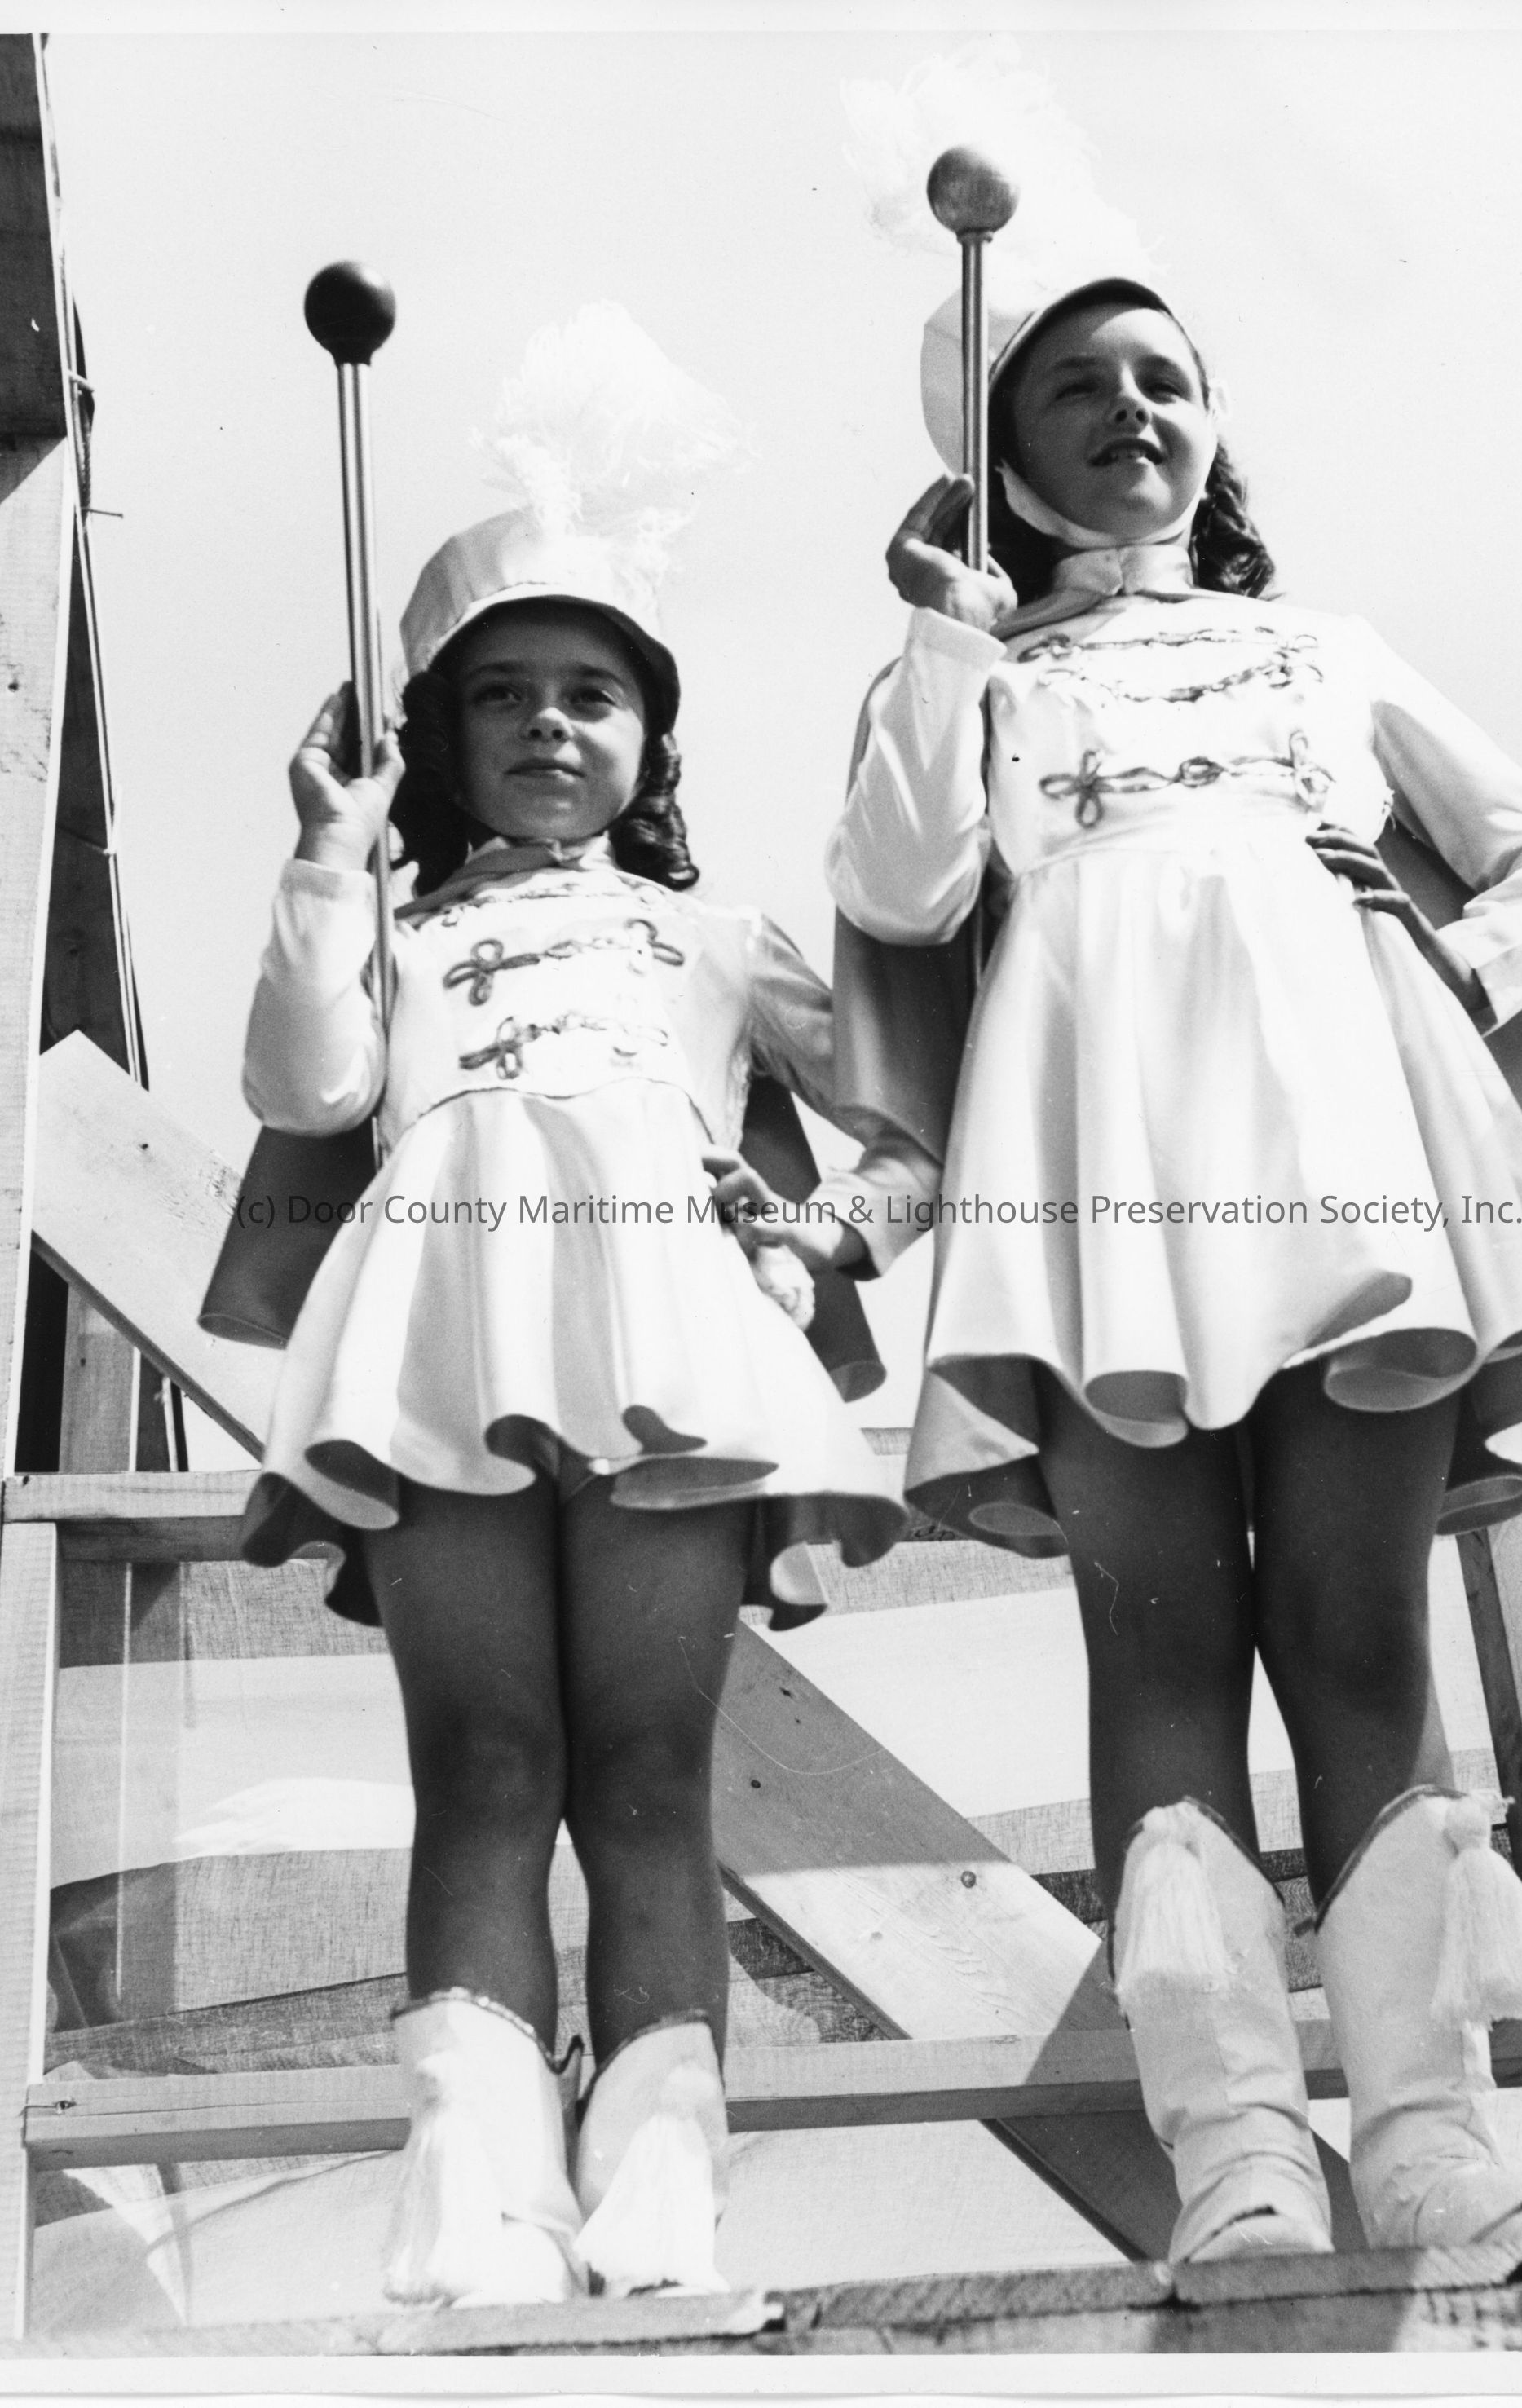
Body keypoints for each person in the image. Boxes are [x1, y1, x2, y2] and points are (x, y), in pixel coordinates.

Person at [826, 271, 1522, 2260]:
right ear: (997, 454)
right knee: (1159, 1638)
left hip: (1347, 1151)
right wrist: (942, 640)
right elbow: (899, 889)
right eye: (1073, 385)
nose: (1130, 406)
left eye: (1165, 377)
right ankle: (1241, 2156)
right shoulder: (972, 669)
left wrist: (1459, 961)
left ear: (1214, 422)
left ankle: (1436, 2146)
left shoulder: (1325, 649)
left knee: (1362, 1629)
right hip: (1097, 1162)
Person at [233, 311, 933, 2304]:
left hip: (670, 1353)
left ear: (652, 738)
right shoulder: (393, 933)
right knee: (483, 1761)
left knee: (643, 1770)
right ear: (439, 740)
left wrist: (820, 1240)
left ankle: (659, 2191)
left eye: (594, 695)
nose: (551, 726)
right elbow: (304, 1088)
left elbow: (915, 1135)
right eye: (505, 696)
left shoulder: (713, 936)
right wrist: (326, 858)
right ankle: (477, 2197)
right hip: (438, 1348)